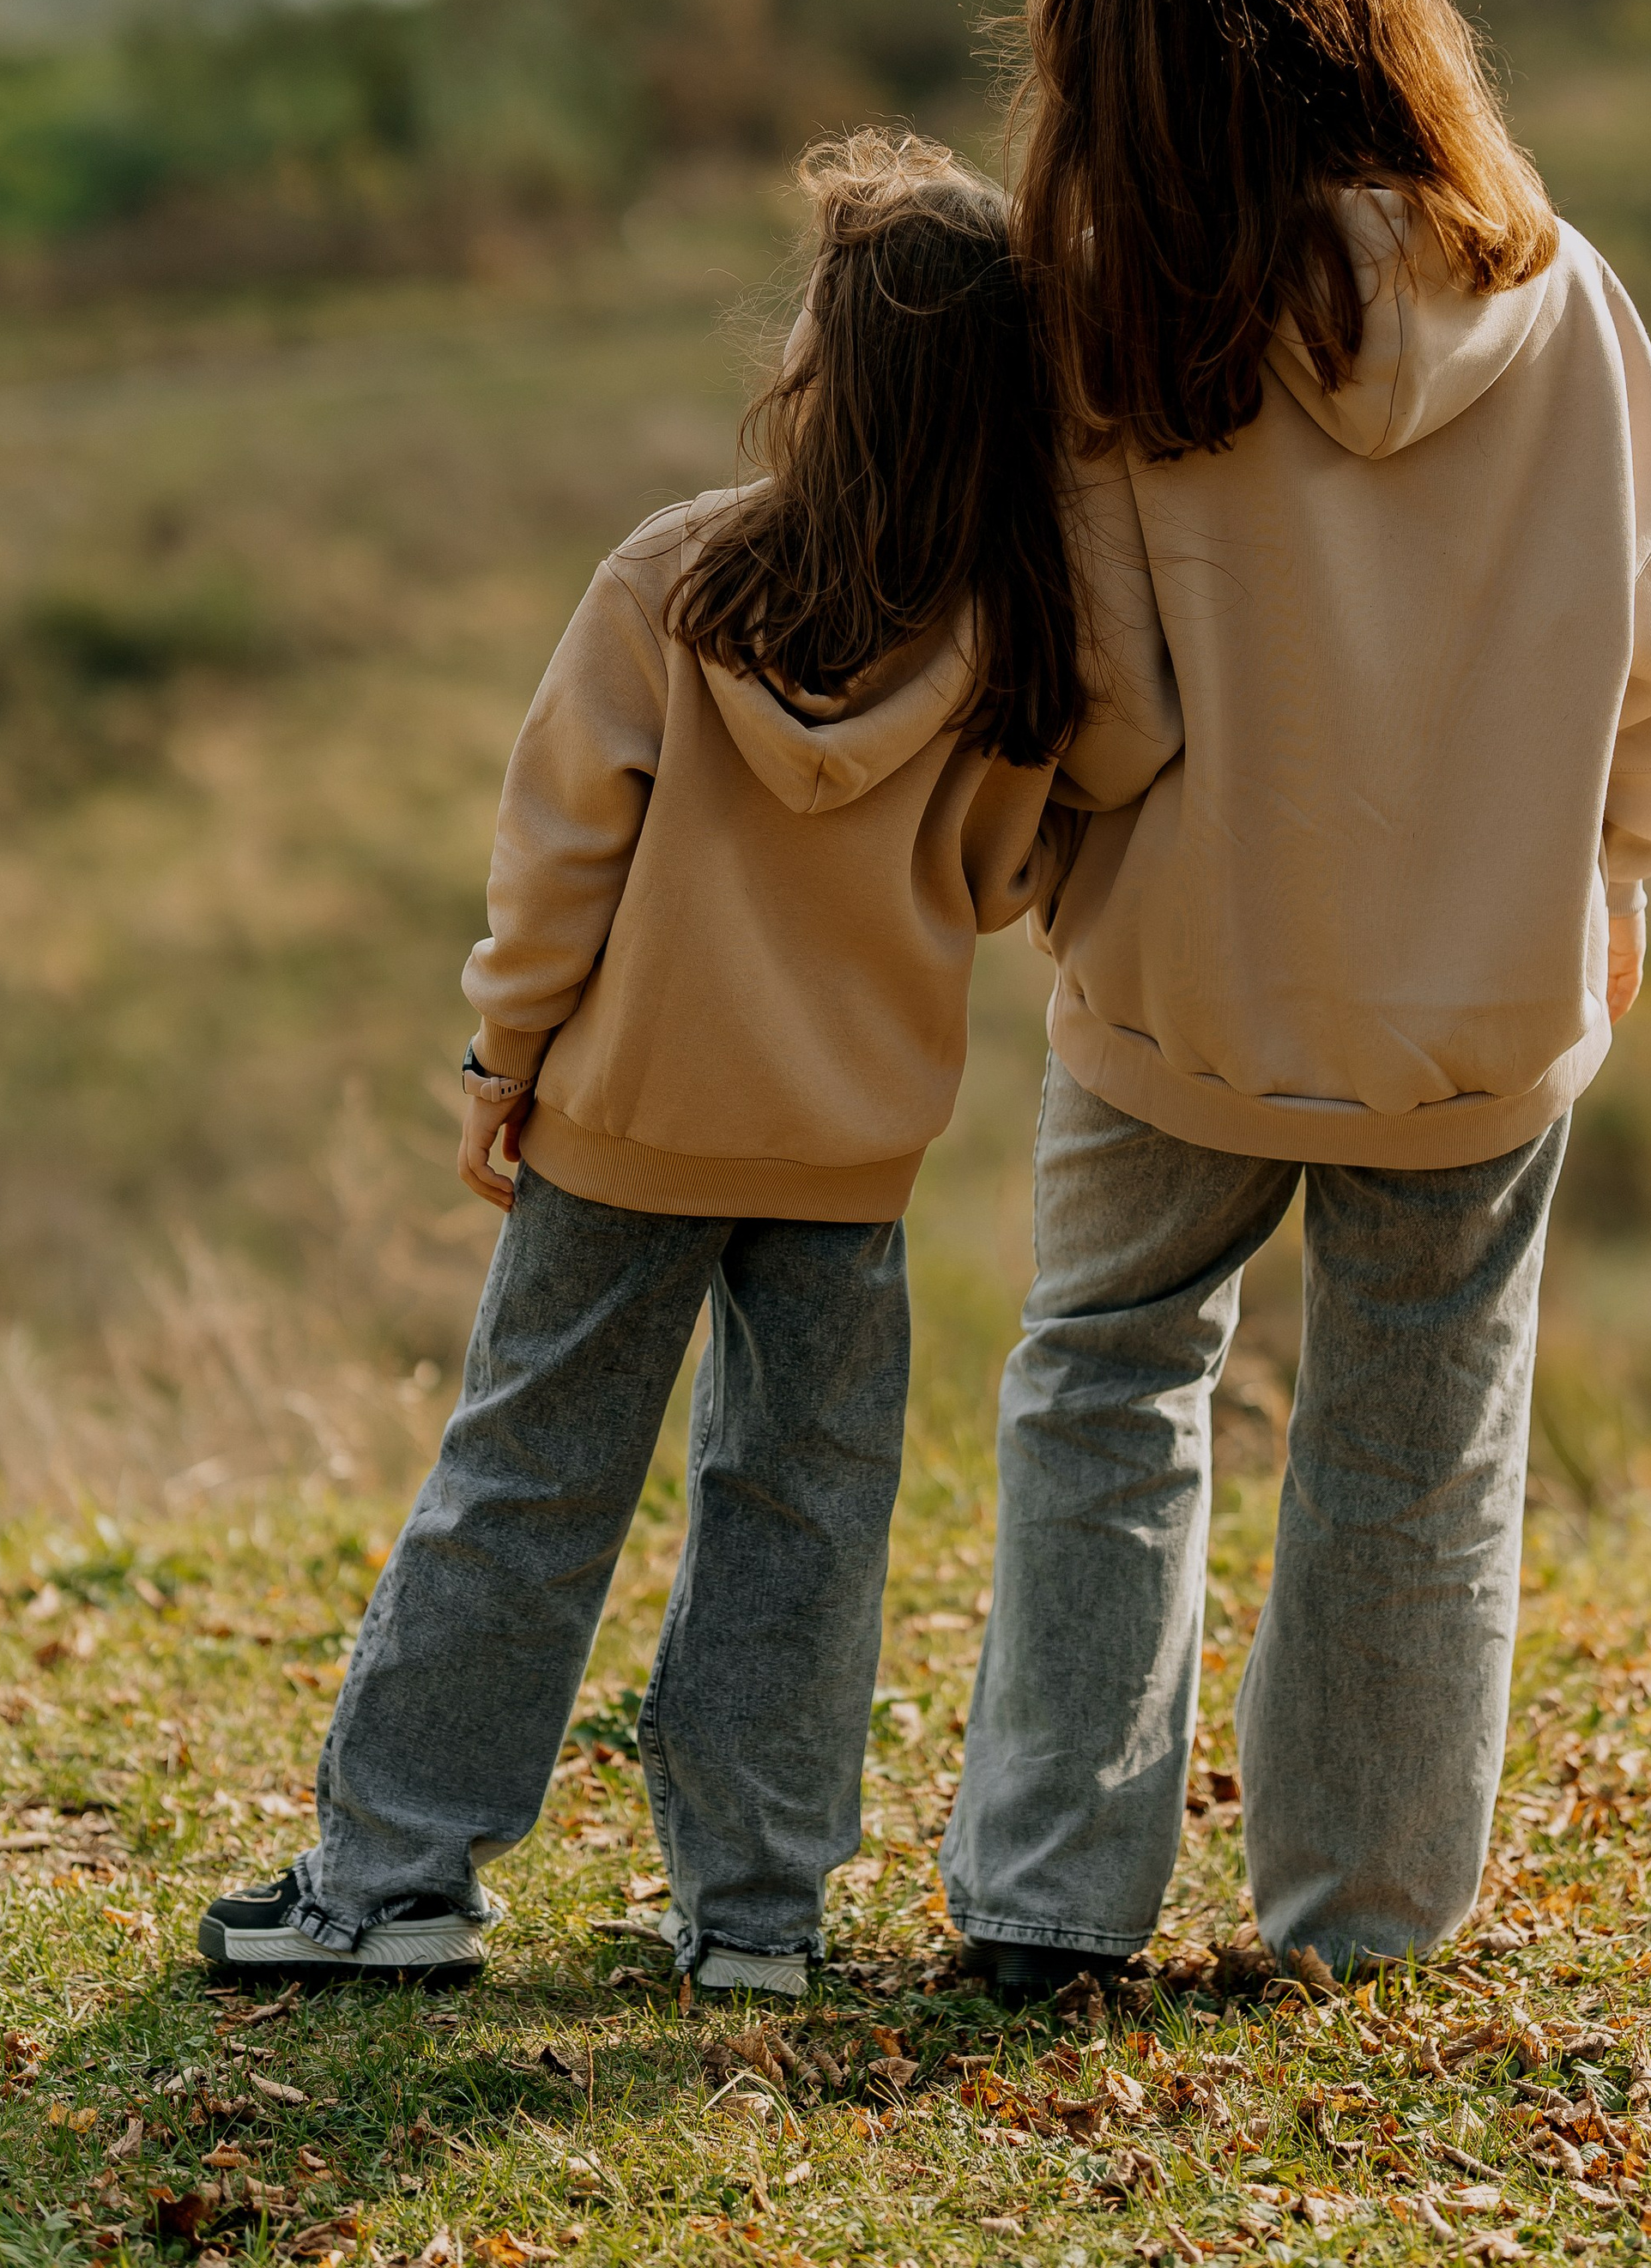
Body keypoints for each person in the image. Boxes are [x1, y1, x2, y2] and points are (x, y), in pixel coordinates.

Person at [198, 130, 1170, 1994]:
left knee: (528, 1479)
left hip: (624, 1125)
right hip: (847, 1154)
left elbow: (558, 857)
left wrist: (505, 1055)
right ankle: (754, 1918)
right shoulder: (1022, 637)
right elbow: (999, 881)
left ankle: (395, 1877)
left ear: (825, 368)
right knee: (802, 1517)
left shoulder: (675, 581)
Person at [942, 0, 1651, 1999]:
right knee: (1414, 1437)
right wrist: (1613, 874)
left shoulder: (1117, 334)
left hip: (1183, 984)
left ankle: (1047, 1905)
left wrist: (1035, 866)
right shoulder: (1558, 294)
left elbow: (1097, 715)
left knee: (1106, 1379)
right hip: (1482, 996)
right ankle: (1362, 1925)